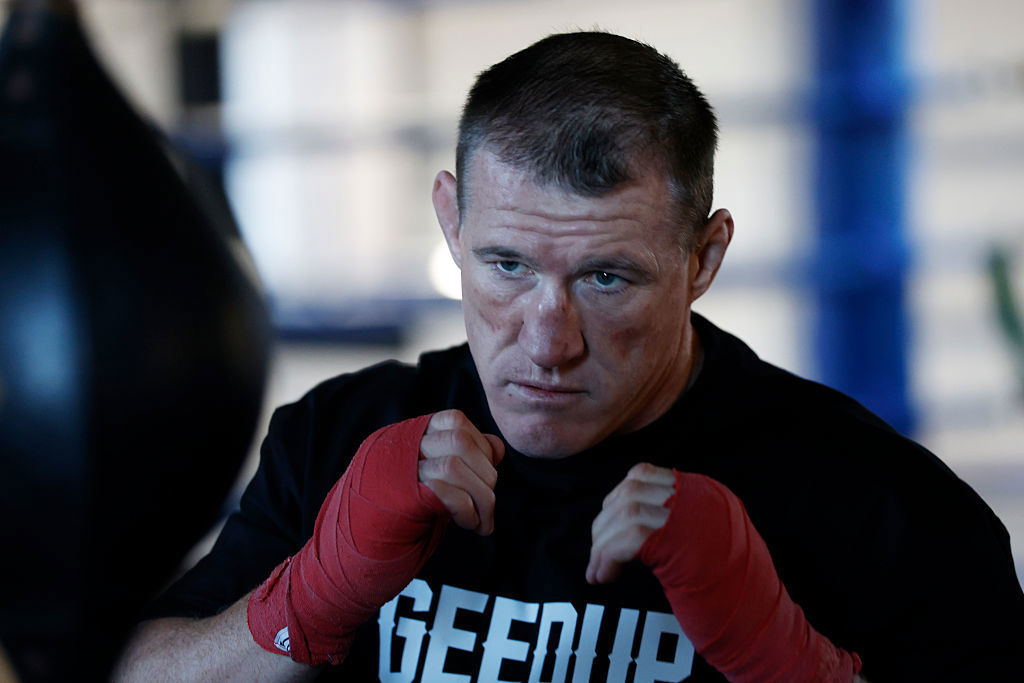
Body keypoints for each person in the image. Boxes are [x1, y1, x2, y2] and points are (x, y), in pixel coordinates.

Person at [114, 31, 1024, 682]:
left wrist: (787, 662)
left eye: (606, 279)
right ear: (451, 221)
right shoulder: (341, 436)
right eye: (506, 265)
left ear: (702, 260)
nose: (547, 343)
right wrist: (304, 601)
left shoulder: (877, 500)